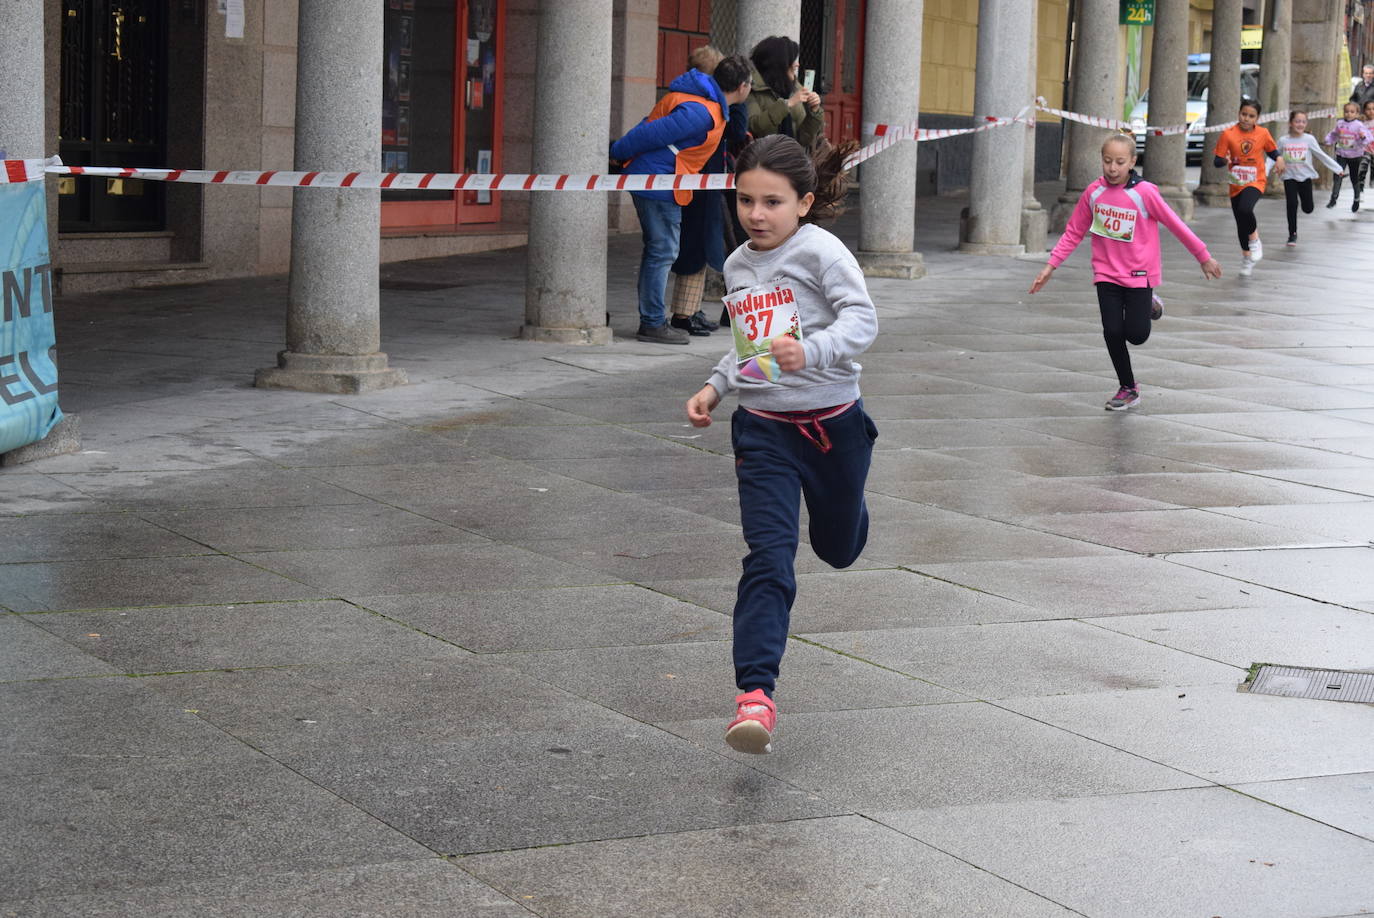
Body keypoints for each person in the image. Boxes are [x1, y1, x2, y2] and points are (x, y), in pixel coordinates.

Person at [685, 133, 876, 755]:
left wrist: (812, 349)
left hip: (834, 429)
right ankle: (755, 697)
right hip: (764, 428)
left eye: (772, 202)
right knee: (768, 559)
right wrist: (716, 387)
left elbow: (862, 320)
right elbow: (751, 341)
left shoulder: (823, 252)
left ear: (804, 202)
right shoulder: (738, 265)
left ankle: (849, 506)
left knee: (839, 548)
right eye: (745, 201)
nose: (757, 215)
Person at [1030, 132, 1222, 411]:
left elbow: (1174, 223)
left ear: (1132, 161)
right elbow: (1073, 232)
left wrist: (1202, 255)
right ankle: (1128, 387)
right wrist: (1050, 266)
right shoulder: (1093, 193)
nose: (1112, 167)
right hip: (1106, 274)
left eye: (1120, 161)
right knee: (1112, 331)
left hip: (1138, 275)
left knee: (1137, 335)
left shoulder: (1144, 193)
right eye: (1107, 161)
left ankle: (1150, 304)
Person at [610, 54, 751, 345]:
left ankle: (652, 320)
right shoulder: (702, 112)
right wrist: (617, 152)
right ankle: (652, 322)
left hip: (662, 180)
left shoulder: (707, 106)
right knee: (662, 251)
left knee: (661, 250)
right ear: (742, 86)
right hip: (658, 181)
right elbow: (649, 133)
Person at [667, 45, 750, 337]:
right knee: (695, 245)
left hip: (698, 179)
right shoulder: (705, 104)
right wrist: (740, 101)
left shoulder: (694, 97)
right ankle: (683, 314)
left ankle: (690, 310)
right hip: (697, 180)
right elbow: (738, 131)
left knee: (699, 245)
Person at [1212, 98, 1284, 274]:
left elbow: (1273, 151)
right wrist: (1225, 160)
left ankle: (1255, 240)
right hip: (1236, 183)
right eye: (1244, 114)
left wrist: (1280, 159)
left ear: (1257, 118)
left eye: (1251, 116)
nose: (1246, 118)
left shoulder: (1263, 133)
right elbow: (1217, 161)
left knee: (1246, 209)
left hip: (1256, 180)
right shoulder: (1228, 134)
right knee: (1240, 221)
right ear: (1239, 113)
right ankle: (1247, 257)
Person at [1279, 111, 1346, 246]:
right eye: (1297, 121)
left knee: (1308, 208)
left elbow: (1321, 155)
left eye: (1303, 122)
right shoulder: (1283, 140)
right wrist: (1264, 170)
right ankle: (1292, 234)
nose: (1300, 124)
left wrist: (1338, 169)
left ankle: (1307, 206)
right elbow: (1274, 156)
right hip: (1289, 177)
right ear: (1290, 123)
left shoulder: (1309, 139)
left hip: (1305, 177)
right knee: (1291, 204)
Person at [747, 36, 824, 152]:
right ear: (779, 63)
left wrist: (814, 111)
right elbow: (754, 127)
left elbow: (803, 139)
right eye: (792, 60)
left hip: (792, 160)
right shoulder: (752, 88)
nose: (797, 64)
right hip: (763, 163)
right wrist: (787, 104)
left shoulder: (795, 87)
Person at [1323, 101, 1374, 212]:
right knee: (1337, 175)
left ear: (1356, 113)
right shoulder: (1340, 123)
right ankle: (1333, 198)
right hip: (1341, 153)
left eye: (1352, 112)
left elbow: (1369, 138)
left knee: (1354, 178)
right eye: (1346, 111)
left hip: (1355, 155)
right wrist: (1328, 141)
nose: (1348, 114)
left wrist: (1362, 137)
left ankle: (1356, 199)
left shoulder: (1359, 125)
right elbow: (1334, 134)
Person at [1363, 100, 1374, 190]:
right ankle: (1360, 191)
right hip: (1365, 151)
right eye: (1368, 109)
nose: (1371, 111)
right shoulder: (1361, 124)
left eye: (1373, 109)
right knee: (1362, 170)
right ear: (1364, 111)